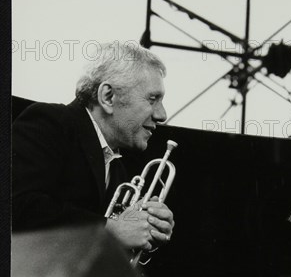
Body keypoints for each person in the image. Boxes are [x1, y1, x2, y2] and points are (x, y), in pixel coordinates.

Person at [12, 42, 175, 254]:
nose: (162, 115)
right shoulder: (49, 123)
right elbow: (15, 205)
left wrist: (145, 228)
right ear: (108, 97)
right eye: (152, 99)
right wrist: (111, 229)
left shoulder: (117, 169)